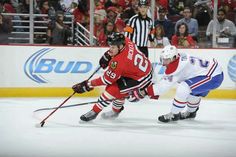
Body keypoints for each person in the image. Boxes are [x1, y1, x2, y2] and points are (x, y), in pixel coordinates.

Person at [129, 45, 224, 123]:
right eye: (163, 59)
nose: (163, 63)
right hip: (211, 72)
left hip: (213, 76)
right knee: (192, 91)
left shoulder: (175, 67)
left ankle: (174, 114)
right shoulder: (178, 57)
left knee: (184, 87)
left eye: (166, 60)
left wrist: (144, 91)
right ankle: (191, 113)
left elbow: (162, 87)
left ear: (174, 57)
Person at [72, 32, 153, 122]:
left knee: (113, 89)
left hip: (141, 77)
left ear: (120, 46)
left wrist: (88, 84)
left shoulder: (119, 62)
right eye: (110, 46)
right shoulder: (126, 41)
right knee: (119, 91)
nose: (110, 49)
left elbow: (106, 80)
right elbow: (117, 52)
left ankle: (95, 111)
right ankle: (115, 111)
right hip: (137, 70)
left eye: (113, 47)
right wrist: (108, 55)